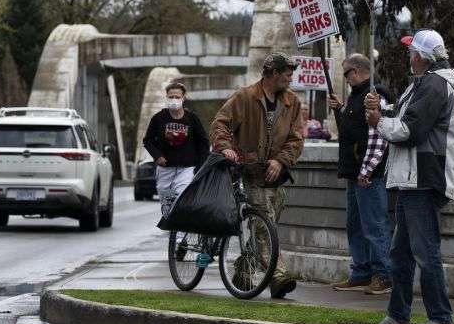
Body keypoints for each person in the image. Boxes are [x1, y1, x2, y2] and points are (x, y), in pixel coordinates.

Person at [364, 29, 454, 324]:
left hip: (423, 178)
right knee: (401, 252)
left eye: (412, 52)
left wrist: (378, 122)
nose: (409, 56)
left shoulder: (434, 85)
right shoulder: (424, 84)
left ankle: (440, 317)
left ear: (422, 56)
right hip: (413, 180)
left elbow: (411, 130)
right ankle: (398, 316)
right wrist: (381, 111)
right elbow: (402, 116)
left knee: (424, 251)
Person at [211, 52, 305, 298]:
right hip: (251, 172)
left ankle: (243, 272)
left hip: (277, 175)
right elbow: (220, 123)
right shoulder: (245, 97)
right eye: (287, 73)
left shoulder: (292, 102)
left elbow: (296, 138)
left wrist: (280, 160)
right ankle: (278, 277)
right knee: (265, 225)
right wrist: (226, 147)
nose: (290, 78)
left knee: (264, 225)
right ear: (273, 73)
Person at [328, 53, 394, 295]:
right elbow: (357, 125)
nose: (345, 79)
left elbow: (379, 135)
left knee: (374, 225)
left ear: (356, 71)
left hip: (367, 174)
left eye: (346, 73)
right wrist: (341, 109)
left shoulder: (375, 95)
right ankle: (362, 272)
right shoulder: (357, 97)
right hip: (355, 172)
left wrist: (367, 169)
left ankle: (383, 275)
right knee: (355, 225)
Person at [143, 82, 210, 217]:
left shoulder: (192, 119)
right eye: (171, 96)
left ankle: (179, 237)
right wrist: (158, 156)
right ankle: (171, 226)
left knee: (181, 198)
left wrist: (200, 164)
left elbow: (203, 142)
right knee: (166, 203)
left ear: (183, 98)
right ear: (167, 97)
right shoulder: (159, 118)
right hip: (165, 168)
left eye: (177, 97)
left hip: (186, 168)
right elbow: (148, 141)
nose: (174, 100)